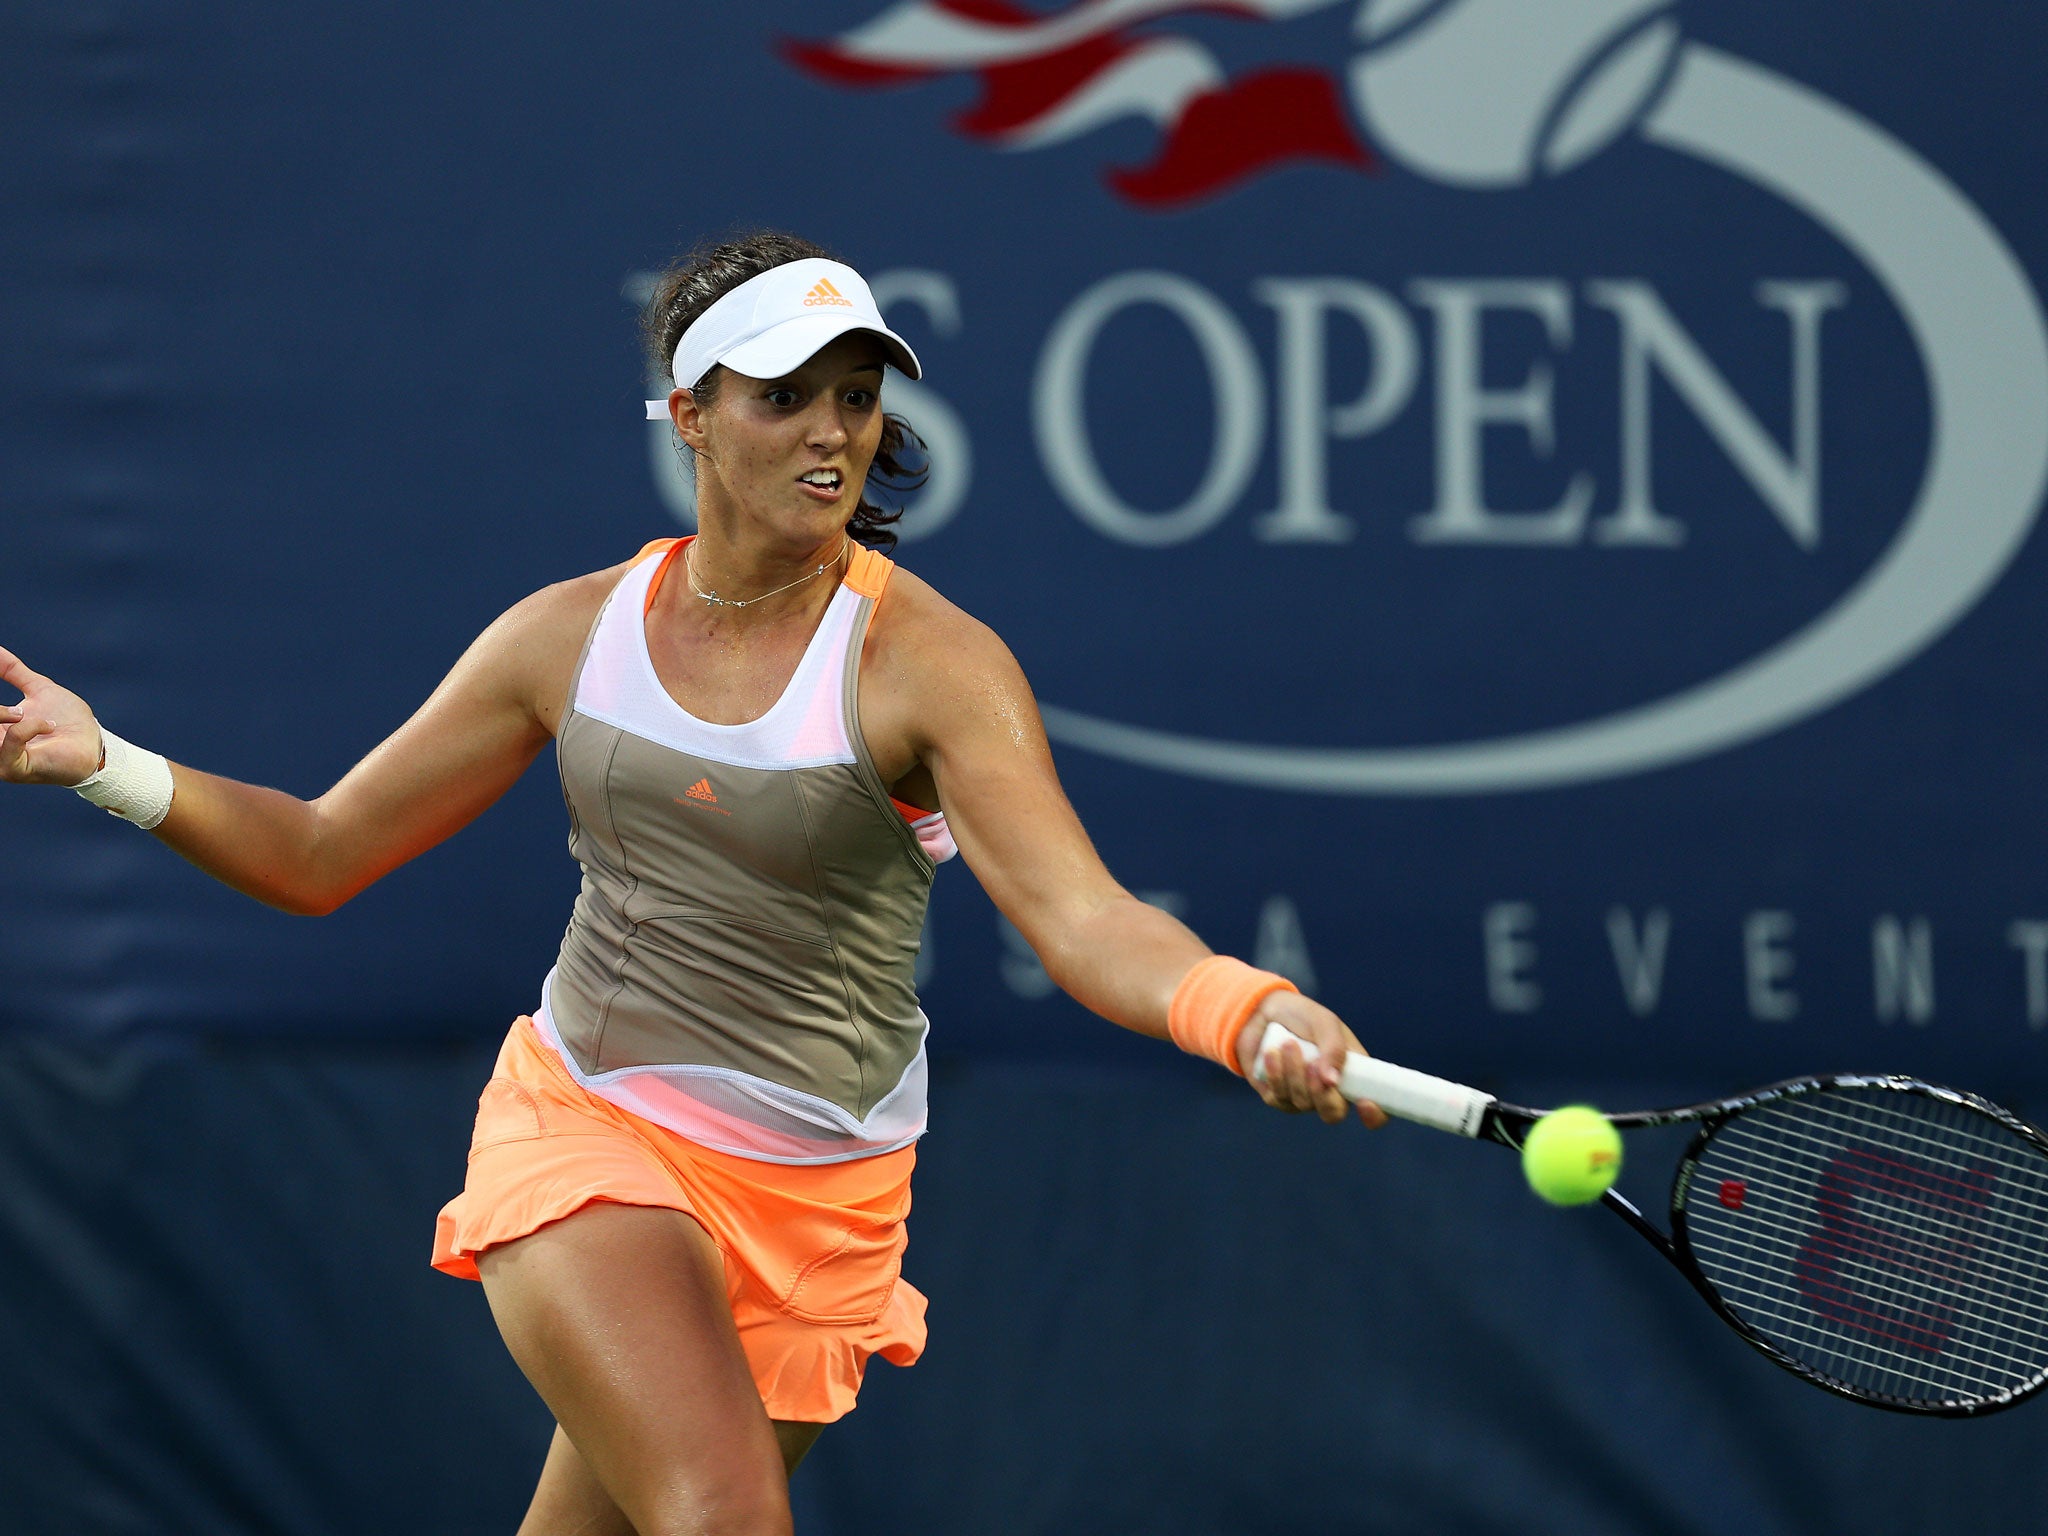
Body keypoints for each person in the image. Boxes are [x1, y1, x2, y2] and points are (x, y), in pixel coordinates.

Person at [0, 231, 1381, 1536]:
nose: (834, 433)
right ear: (693, 413)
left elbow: (1080, 915)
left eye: (855, 398)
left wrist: (1235, 1007)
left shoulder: (933, 665)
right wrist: (100, 759)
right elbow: (318, 855)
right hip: (596, 1126)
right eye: (785, 398)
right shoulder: (566, 637)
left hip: (824, 1195)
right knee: (724, 1517)